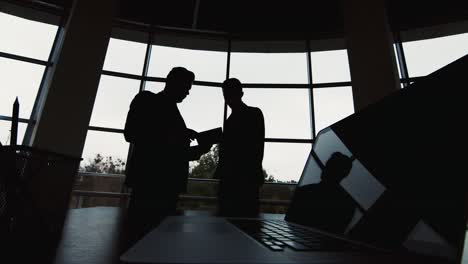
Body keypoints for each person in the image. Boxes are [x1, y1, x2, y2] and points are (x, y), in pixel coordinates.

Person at [122, 67, 211, 243]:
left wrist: (196, 147)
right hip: (153, 184)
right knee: (146, 238)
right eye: (186, 87)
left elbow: (173, 152)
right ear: (172, 82)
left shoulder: (155, 105)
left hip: (160, 185)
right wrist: (179, 136)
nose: (187, 93)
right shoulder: (148, 100)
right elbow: (131, 133)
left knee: (142, 240)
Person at [215, 78, 265, 217]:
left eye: (228, 94)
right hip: (246, 179)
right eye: (226, 95)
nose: (227, 98)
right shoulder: (254, 114)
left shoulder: (231, 121)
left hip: (234, 180)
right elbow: (256, 147)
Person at [286, 152, 356, 234]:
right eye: (328, 165)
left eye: (330, 167)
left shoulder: (303, 192)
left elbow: (290, 220)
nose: (325, 168)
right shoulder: (347, 204)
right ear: (345, 174)